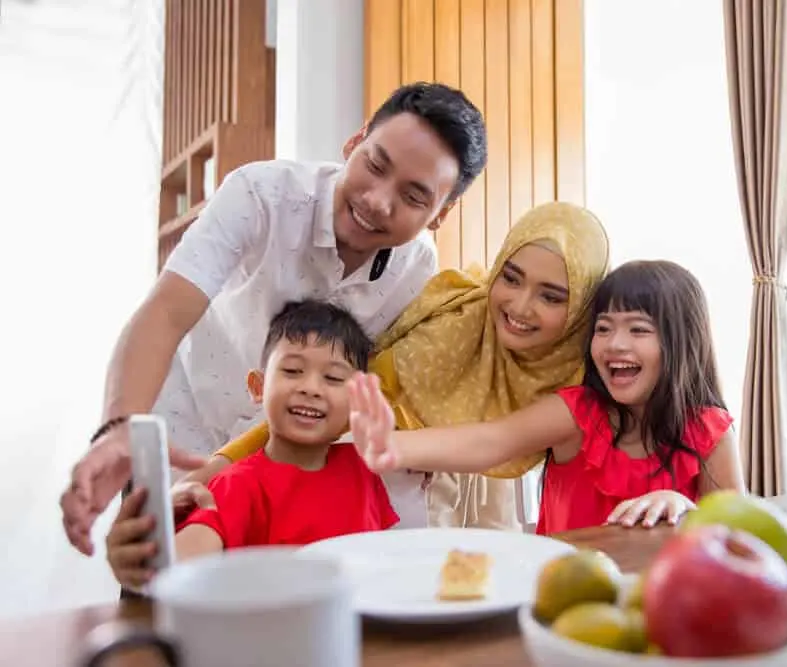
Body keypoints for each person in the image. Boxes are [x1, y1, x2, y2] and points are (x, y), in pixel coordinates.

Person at [61, 82, 487, 555]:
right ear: (355, 141)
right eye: (375, 164)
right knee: (160, 591)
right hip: (186, 436)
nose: (376, 201)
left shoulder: (419, 271)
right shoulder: (260, 194)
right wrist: (119, 427)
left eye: (413, 197)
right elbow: (165, 312)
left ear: (440, 214)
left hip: (284, 468)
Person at [184, 202, 611, 531]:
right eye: (511, 278)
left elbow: (497, 445)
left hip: (487, 507)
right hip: (377, 483)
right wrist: (221, 465)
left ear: (582, 306)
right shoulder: (448, 322)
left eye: (552, 296)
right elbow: (333, 402)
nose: (520, 306)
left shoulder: (585, 370)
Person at [347, 260, 746, 535]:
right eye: (604, 329)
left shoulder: (709, 431)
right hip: (560, 603)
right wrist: (390, 445)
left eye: (638, 330)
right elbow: (491, 441)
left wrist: (684, 507)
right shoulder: (579, 414)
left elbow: (736, 537)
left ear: (681, 343)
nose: (614, 345)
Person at [106, 301, 398, 590]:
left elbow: (386, 560)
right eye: (293, 371)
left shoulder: (362, 468)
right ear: (258, 387)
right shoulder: (237, 484)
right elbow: (175, 569)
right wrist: (144, 551)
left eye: (333, 378)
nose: (310, 388)